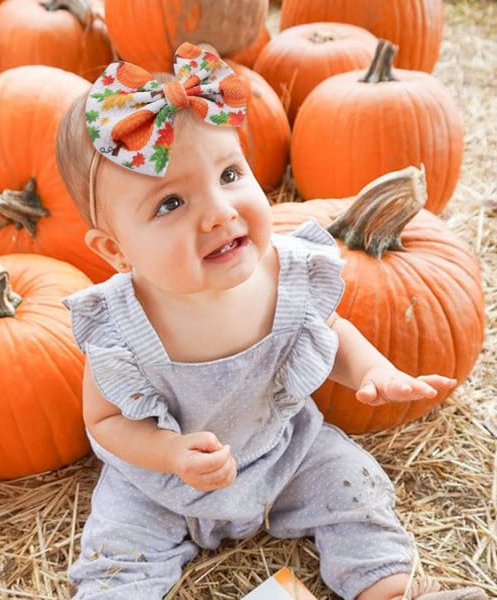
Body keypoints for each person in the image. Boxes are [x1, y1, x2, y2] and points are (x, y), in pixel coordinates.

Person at [56, 42, 488, 600]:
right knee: (116, 551)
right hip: (160, 488)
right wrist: (170, 454)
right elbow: (107, 422)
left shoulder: (285, 273)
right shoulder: (121, 324)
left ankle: (388, 586)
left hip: (282, 452)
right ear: (115, 249)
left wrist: (371, 373)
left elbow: (328, 335)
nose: (219, 211)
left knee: (350, 486)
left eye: (230, 174)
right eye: (170, 204)